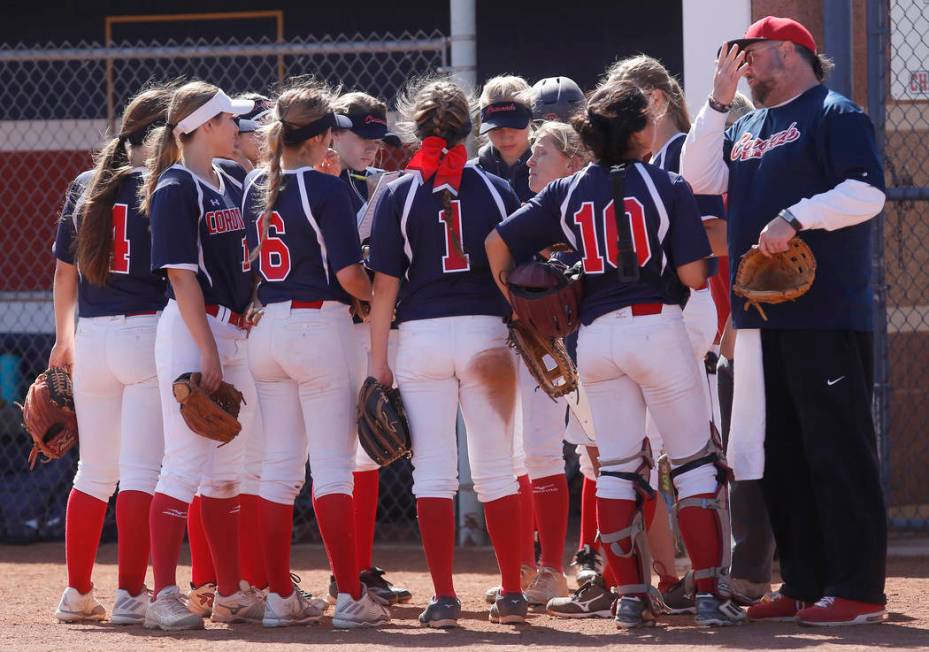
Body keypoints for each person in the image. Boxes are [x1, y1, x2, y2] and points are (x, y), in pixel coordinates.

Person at [486, 79, 745, 629]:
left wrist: (518, 302)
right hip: (657, 327)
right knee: (696, 463)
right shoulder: (667, 183)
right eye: (645, 120)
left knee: (618, 468)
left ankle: (629, 596)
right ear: (635, 131)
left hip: (597, 339)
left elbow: (497, 242)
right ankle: (706, 595)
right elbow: (694, 276)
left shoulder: (569, 188)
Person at [681, 15, 887, 626]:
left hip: (823, 317)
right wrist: (717, 100)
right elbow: (698, 176)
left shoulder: (834, 113)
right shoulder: (745, 125)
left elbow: (868, 192)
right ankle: (802, 582)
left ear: (791, 53)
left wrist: (795, 216)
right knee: (778, 452)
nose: (741, 65)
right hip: (760, 322)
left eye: (752, 54)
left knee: (837, 448)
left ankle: (857, 590)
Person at [367, 77, 528, 628]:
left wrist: (377, 360)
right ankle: (510, 592)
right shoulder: (492, 186)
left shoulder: (398, 191)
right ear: (470, 127)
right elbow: (511, 273)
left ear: (418, 128)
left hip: (423, 336)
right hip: (486, 332)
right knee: (497, 469)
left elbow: (384, 286)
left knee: (433, 472)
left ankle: (444, 597)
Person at [241, 78, 392, 629]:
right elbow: (349, 276)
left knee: (278, 471)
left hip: (268, 327)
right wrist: (383, 298)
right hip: (318, 327)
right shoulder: (327, 189)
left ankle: (280, 599)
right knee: (332, 470)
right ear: (325, 134)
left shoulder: (255, 179)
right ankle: (351, 598)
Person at [140, 81, 262, 631]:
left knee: (229, 471)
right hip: (195, 331)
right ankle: (162, 593)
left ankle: (229, 593)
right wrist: (208, 351)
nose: (237, 127)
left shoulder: (231, 177)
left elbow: (243, 256)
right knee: (184, 463)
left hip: (235, 330)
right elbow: (182, 277)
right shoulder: (175, 185)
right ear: (204, 125)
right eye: (228, 120)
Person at [607, 53, 727, 615]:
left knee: (678, 454)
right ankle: (677, 579)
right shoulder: (650, 162)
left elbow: (714, 238)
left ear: (655, 98)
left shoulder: (679, 153)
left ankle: (700, 579)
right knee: (661, 455)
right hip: (667, 314)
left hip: (682, 310)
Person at [50, 85, 173, 625]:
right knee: (142, 473)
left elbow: (63, 273)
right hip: (146, 335)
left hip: (93, 338)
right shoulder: (165, 183)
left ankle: (76, 594)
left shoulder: (86, 183)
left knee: (93, 473)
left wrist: (63, 338)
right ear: (158, 135)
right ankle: (129, 595)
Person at [327, 91, 413, 606]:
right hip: (331, 325)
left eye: (380, 140)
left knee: (370, 446)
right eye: (365, 137)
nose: (375, 149)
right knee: (336, 452)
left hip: (374, 326)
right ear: (333, 133)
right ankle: (344, 573)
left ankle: (358, 567)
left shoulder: (381, 186)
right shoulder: (315, 185)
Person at [711, 91, 777, 607]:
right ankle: (738, 567)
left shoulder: (765, 183)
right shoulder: (705, 178)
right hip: (713, 336)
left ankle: (758, 569)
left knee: (754, 450)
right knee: (733, 455)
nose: (736, 143)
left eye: (741, 131)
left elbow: (721, 239)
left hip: (756, 326)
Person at [475, 74, 535, 202]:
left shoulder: (553, 168)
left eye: (514, 125)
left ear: (531, 119)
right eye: (496, 127)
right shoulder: (473, 173)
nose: (506, 136)